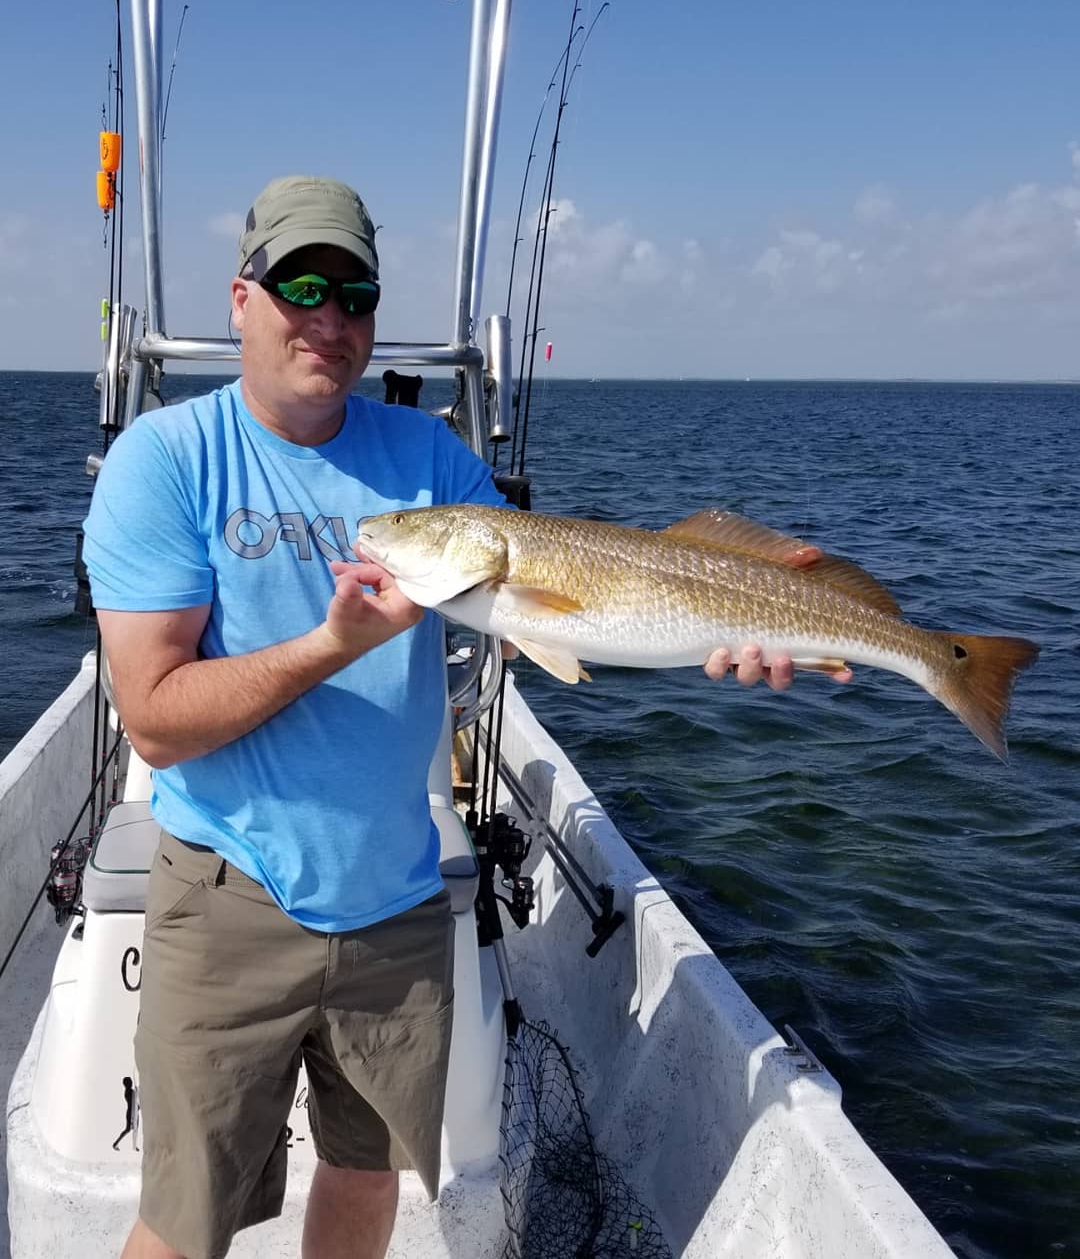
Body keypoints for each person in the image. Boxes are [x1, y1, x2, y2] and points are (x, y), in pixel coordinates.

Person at [83, 174, 825, 1259]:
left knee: (367, 1171)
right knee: (184, 1212)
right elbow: (152, 720)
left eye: (357, 294)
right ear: (242, 297)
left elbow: (560, 591)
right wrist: (334, 643)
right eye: (301, 285)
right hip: (231, 898)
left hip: (395, 895)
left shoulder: (429, 460)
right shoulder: (168, 460)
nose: (330, 318)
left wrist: (721, 630)